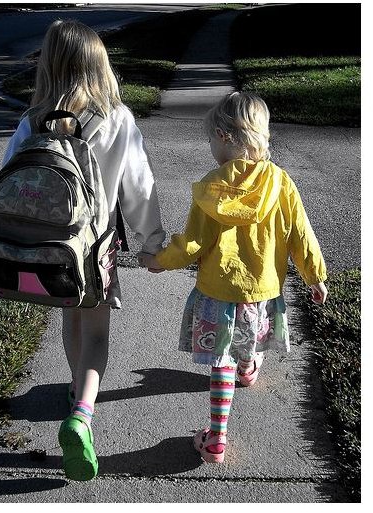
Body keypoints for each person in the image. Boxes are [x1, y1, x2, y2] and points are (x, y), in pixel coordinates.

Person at [2, 20, 165, 480]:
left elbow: (9, 177)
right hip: (97, 250)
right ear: (100, 65)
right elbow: (139, 188)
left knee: (69, 319)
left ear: (49, 66)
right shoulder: (117, 119)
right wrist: (152, 242)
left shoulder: (32, 119)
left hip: (50, 248)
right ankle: (82, 414)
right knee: (96, 331)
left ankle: (76, 389)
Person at [139, 92, 327, 463]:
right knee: (248, 338)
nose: (210, 146)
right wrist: (314, 276)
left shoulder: (212, 188)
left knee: (219, 360)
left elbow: (192, 243)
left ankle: (216, 439)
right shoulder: (280, 182)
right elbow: (299, 233)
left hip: (217, 293)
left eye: (210, 138)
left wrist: (160, 260)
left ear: (224, 136)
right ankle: (248, 368)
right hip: (261, 291)